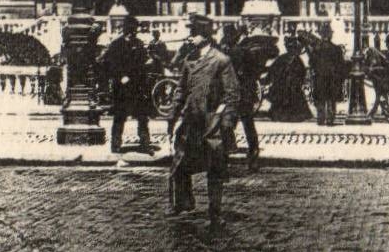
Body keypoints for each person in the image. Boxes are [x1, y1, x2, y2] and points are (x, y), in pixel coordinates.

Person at [168, 13, 240, 226]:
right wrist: (173, 115)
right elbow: (180, 90)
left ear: (206, 36)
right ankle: (183, 203)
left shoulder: (221, 60)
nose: (190, 37)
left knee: (215, 167)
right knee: (180, 161)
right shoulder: (189, 60)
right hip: (191, 121)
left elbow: (232, 94)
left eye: (194, 33)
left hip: (211, 124)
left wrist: (226, 122)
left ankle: (215, 212)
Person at [97, 14, 153, 154]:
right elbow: (109, 64)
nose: (133, 33)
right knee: (119, 117)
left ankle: (145, 144)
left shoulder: (139, 44)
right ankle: (116, 144)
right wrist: (120, 76)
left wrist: (147, 64)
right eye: (131, 30)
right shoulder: (116, 45)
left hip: (138, 86)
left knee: (142, 117)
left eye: (134, 30)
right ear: (126, 30)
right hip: (121, 88)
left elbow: (143, 62)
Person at [229, 20, 279, 170]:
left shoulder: (235, 51)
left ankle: (227, 153)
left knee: (230, 123)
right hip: (246, 92)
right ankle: (253, 153)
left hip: (236, 92)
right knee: (247, 123)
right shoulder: (248, 49)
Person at [306, 22, 346, 127]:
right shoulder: (336, 49)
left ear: (321, 34)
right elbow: (341, 64)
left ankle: (321, 118)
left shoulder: (317, 49)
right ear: (330, 35)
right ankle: (330, 119)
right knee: (331, 98)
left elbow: (311, 63)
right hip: (332, 77)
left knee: (320, 98)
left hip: (320, 77)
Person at [265, 34, 311, 121]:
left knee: (291, 97)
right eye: (290, 47)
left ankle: (287, 116)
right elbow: (273, 70)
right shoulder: (284, 58)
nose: (291, 49)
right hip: (284, 85)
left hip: (291, 85)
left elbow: (302, 72)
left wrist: (298, 80)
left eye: (293, 47)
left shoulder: (294, 59)